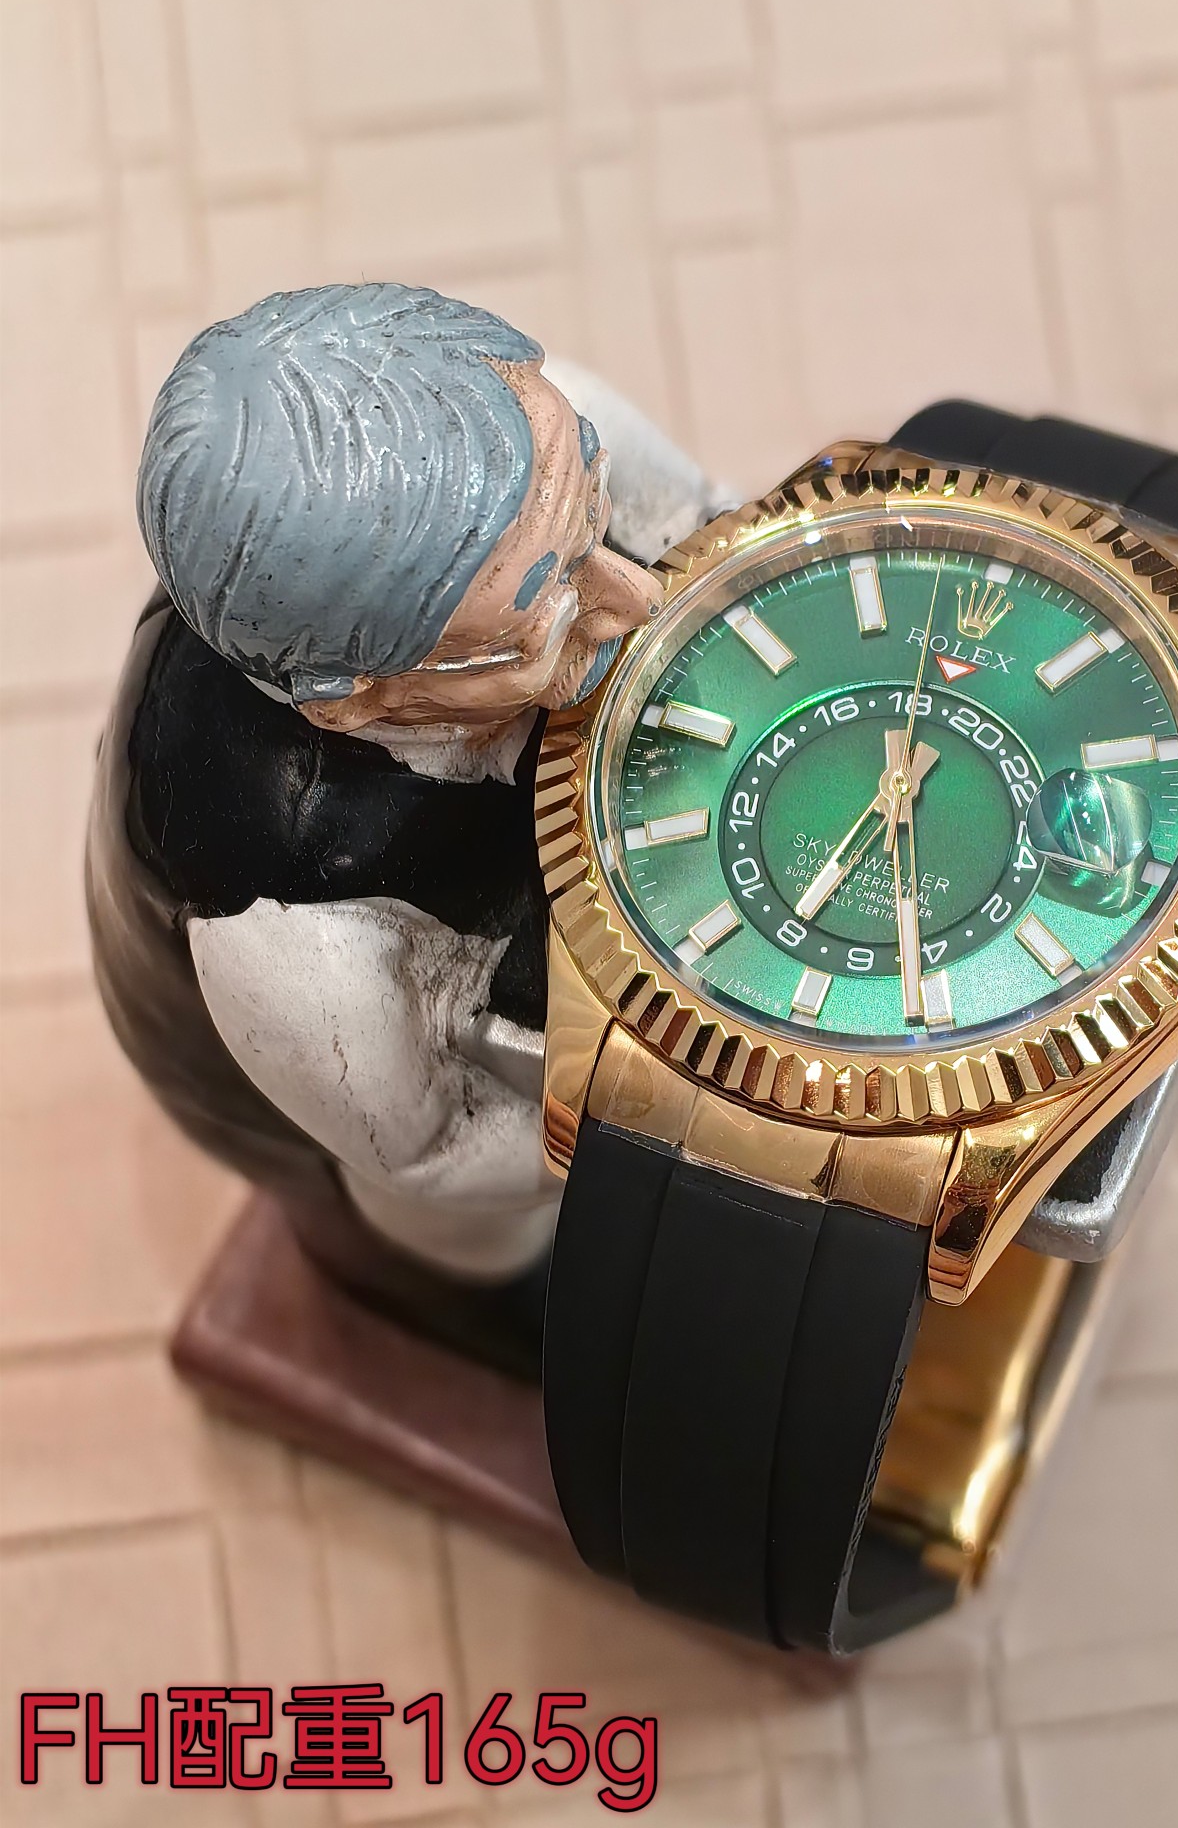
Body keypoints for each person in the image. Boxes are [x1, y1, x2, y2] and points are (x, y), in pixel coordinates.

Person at [87, 283, 728, 1373]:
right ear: (355, 701)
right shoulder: (286, 924)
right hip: (362, 1116)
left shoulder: (534, 440)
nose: (633, 596)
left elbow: (703, 514)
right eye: (543, 618)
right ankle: (458, 1317)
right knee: (471, 1236)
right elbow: (432, 1144)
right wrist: (668, 1125)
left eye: (590, 489)